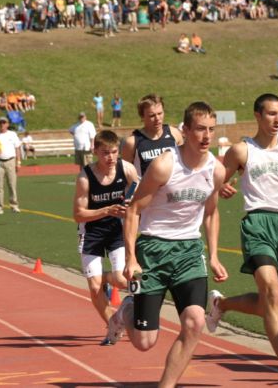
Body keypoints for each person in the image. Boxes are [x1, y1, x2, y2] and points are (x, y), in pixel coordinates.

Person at [107, 102, 228, 388]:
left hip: (188, 251)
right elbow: (134, 210)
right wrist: (131, 258)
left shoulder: (216, 170)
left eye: (211, 129)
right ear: (184, 130)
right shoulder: (165, 165)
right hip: (153, 249)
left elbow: (211, 213)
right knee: (145, 342)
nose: (206, 136)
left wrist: (213, 256)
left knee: (195, 321)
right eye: (200, 129)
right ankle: (126, 311)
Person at [206, 94, 278, 388]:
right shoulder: (242, 151)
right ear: (257, 115)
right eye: (271, 114)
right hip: (257, 223)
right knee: (269, 289)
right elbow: (214, 182)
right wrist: (222, 186)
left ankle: (221, 305)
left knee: (272, 300)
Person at [73, 130, 138, 343]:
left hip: (116, 231)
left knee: (121, 280)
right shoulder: (85, 177)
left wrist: (132, 201)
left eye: (114, 152)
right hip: (91, 232)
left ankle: (106, 279)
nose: (110, 158)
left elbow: (141, 190)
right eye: (105, 153)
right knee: (94, 287)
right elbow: (77, 214)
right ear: (95, 152)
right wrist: (106, 210)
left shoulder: (126, 169)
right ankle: (113, 323)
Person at [121, 94, 184, 176]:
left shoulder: (175, 134)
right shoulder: (132, 142)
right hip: (146, 188)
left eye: (160, 113)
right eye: (152, 115)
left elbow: (184, 165)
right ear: (142, 117)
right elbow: (125, 175)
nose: (157, 119)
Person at [0, 116, 22, 214]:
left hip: (10, 161)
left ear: (7, 124)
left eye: (4, 123)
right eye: (0, 123)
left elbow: (17, 148)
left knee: (12, 184)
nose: (2, 124)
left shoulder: (12, 135)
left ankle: (14, 205)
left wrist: (18, 162)